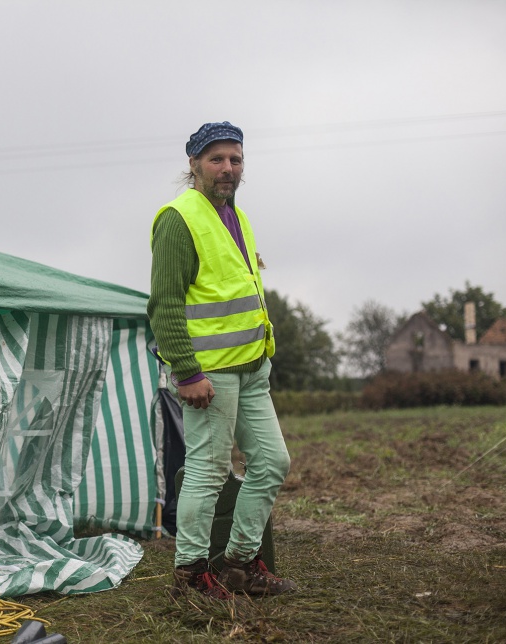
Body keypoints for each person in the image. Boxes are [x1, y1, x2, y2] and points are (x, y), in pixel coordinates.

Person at [148, 121, 296, 600]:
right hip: (208, 374)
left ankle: (238, 563)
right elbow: (164, 305)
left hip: (253, 368)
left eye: (236, 159)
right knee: (208, 473)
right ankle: (191, 576)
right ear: (194, 165)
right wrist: (186, 372)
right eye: (217, 159)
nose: (228, 168)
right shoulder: (178, 218)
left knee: (273, 462)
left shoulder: (235, 214)